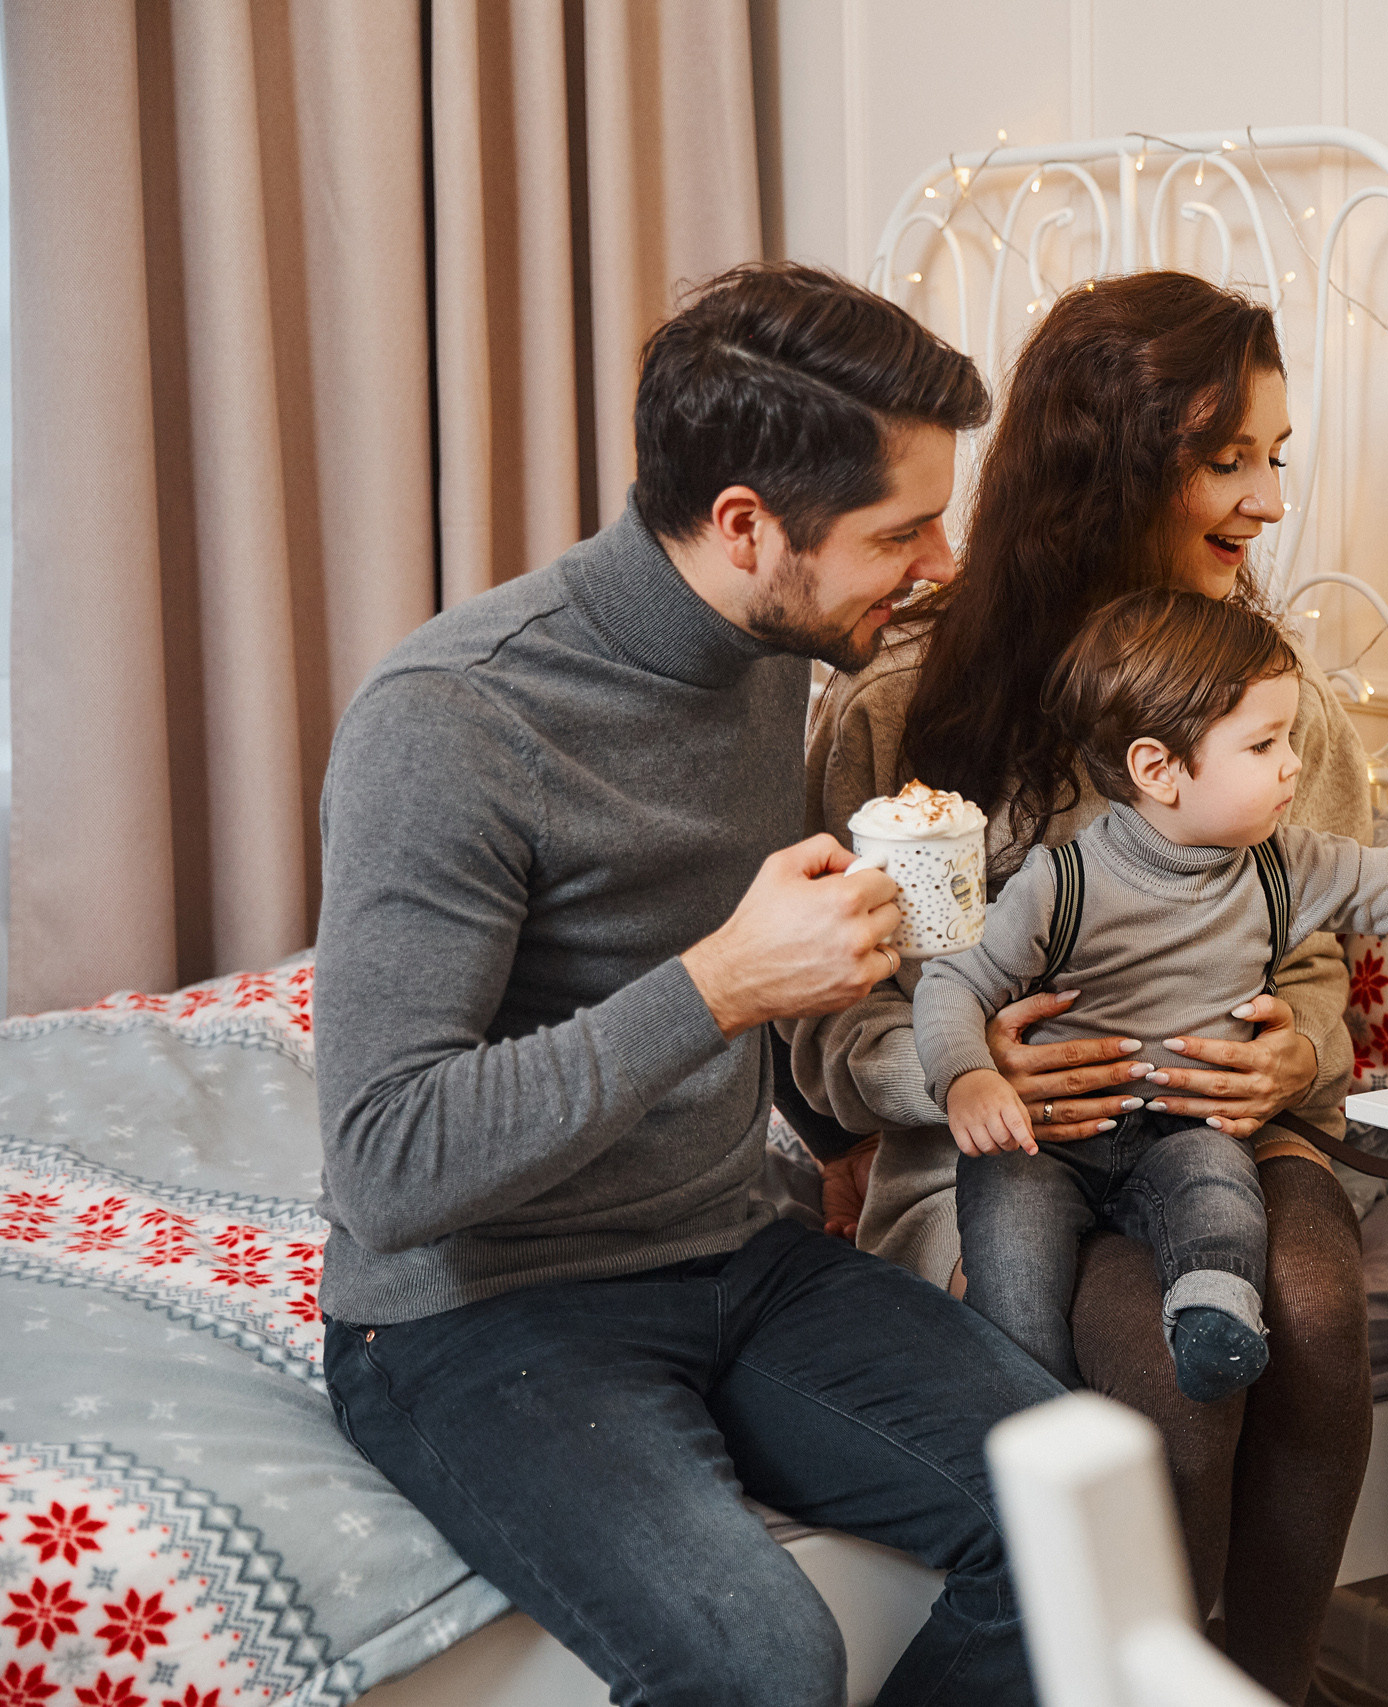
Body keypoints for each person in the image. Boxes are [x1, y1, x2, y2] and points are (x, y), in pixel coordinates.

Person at [312, 262, 1059, 1707]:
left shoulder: (774, 642)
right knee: (767, 1659)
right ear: (744, 527)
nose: (941, 559)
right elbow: (385, 1161)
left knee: (1083, 1504)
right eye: (903, 530)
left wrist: (858, 1098)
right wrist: (715, 986)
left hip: (731, 1247)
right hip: (475, 1306)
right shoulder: (451, 721)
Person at [789, 271, 1374, 1702]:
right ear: (1104, 462)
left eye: (1278, 457)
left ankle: (1270, 1680)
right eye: (1227, 458)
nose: (1270, 501)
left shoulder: (1275, 706)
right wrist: (963, 1059)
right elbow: (815, 1037)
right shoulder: (900, 715)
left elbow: (1318, 962)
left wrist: (1293, 1054)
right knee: (1161, 1361)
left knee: (1309, 1297)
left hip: (1220, 1132)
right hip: (1003, 1151)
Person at [922, 590, 1388, 1405]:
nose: (1294, 761)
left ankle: (1214, 1322)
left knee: (1223, 1196)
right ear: (1158, 769)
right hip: (1049, 1146)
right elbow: (953, 982)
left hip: (1187, 1129)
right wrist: (966, 1077)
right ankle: (1036, 1426)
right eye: (1263, 744)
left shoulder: (1284, 865)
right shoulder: (1060, 884)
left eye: (1287, 736)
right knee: (1014, 1264)